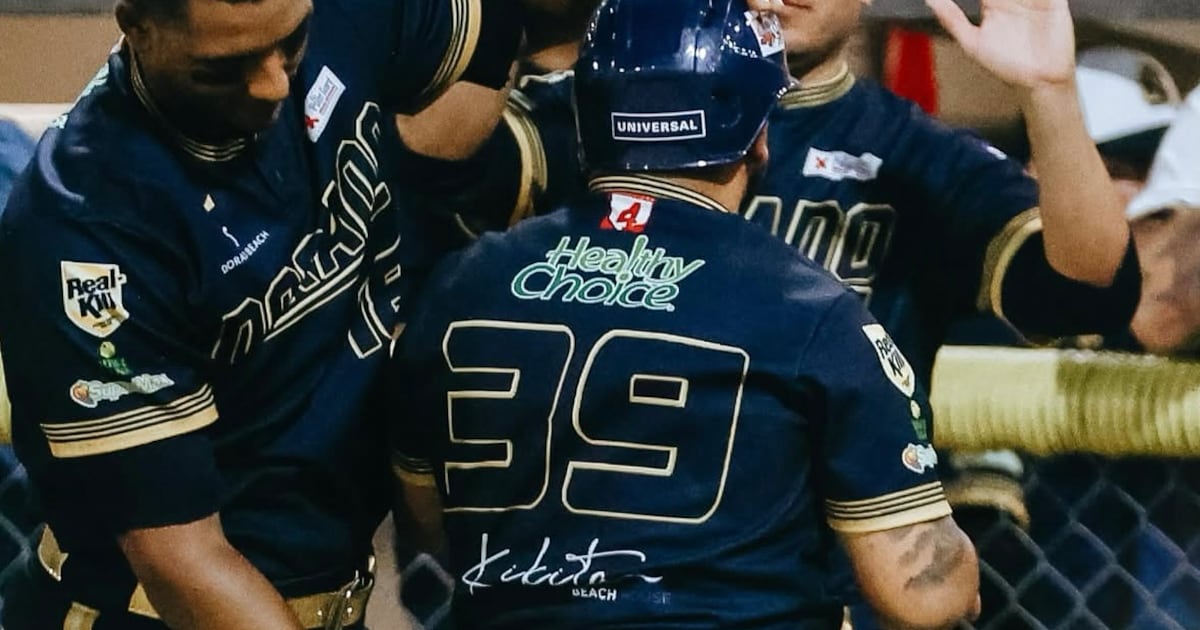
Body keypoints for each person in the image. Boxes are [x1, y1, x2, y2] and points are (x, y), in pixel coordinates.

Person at [389, 1, 982, 628]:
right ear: (758, 136)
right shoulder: (813, 311)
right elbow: (920, 596)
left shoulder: (463, 284)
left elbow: (426, 519)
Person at [0, 0, 521, 626]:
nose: (274, 84)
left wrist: (425, 220)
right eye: (224, 68)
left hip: (327, 584)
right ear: (137, 27)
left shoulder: (346, 12)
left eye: (293, 42)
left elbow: (498, 33)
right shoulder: (84, 230)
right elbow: (183, 561)